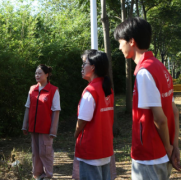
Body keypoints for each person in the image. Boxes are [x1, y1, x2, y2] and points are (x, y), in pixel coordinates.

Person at [114, 17, 181, 180]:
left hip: (150, 156)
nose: (119, 46)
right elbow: (175, 112)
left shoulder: (144, 72)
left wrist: (169, 148)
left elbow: (160, 119)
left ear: (131, 41)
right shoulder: (160, 67)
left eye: (120, 41)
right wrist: (175, 146)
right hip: (162, 155)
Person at [73, 49, 114, 180]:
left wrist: (75, 134)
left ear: (93, 67)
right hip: (105, 148)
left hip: (91, 149)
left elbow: (82, 120)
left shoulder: (91, 91)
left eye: (84, 63)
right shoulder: (107, 89)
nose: (82, 67)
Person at [22, 64, 61, 180]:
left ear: (47, 75)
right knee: (35, 153)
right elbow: (27, 107)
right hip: (34, 128)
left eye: (40, 73)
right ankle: (38, 174)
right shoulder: (32, 89)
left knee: (45, 152)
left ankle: (48, 175)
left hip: (46, 128)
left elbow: (56, 110)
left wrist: (53, 130)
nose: (37, 75)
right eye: (36, 73)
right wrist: (25, 125)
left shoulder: (53, 90)